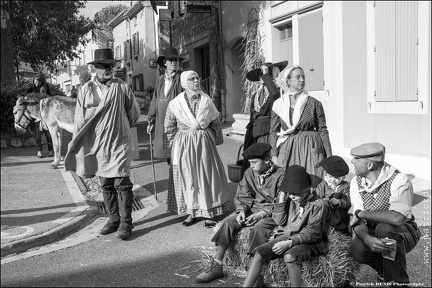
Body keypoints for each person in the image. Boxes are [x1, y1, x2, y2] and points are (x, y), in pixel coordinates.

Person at [64, 48, 141, 240]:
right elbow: (80, 120)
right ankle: (113, 219)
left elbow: (134, 113)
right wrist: (79, 143)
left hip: (118, 142)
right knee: (105, 183)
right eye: (104, 66)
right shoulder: (84, 90)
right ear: (95, 68)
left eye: (111, 65)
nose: (109, 69)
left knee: (122, 182)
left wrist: (120, 127)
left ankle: (126, 223)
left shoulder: (122, 86)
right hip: (97, 145)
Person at [196, 143, 285, 284]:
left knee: (259, 228)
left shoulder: (281, 175)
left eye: (254, 162)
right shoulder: (250, 173)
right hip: (253, 208)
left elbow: (281, 202)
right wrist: (241, 210)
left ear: (267, 160)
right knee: (228, 222)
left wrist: (261, 214)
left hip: (272, 213)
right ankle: (217, 265)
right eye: (250, 163)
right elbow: (243, 194)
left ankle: (257, 275)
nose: (251, 166)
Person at [243, 165, 331, 287]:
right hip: (287, 237)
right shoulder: (290, 200)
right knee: (259, 253)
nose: (292, 196)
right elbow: (280, 221)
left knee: (289, 257)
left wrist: (290, 242)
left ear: (307, 189)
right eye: (289, 193)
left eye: (296, 193)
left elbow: (313, 233)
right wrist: (281, 199)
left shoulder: (318, 205)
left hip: (310, 243)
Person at [348, 142, 421, 285]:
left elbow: (397, 218)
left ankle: (399, 282)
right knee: (356, 249)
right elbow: (355, 220)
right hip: (374, 231)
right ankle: (385, 271)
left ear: (370, 165)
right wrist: (367, 238)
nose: (352, 161)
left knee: (384, 229)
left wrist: (361, 213)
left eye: (357, 158)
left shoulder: (399, 179)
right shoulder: (355, 182)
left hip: (403, 232)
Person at [164, 70, 230, 227]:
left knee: (207, 177)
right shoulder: (175, 103)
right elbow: (169, 126)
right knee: (188, 177)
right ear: (184, 83)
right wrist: (172, 147)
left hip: (204, 143)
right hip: (184, 144)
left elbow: (215, 122)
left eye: (197, 77)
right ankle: (190, 212)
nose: (196, 81)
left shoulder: (207, 101)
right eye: (192, 79)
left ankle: (210, 212)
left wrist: (215, 141)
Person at [269, 66, 332, 187]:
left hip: (310, 146)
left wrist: (329, 155)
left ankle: (312, 206)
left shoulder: (314, 103)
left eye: (303, 77)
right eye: (298, 77)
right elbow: (273, 131)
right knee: (289, 182)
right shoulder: (279, 104)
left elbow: (322, 130)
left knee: (313, 180)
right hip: (288, 146)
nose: (302, 80)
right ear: (288, 81)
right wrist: (274, 154)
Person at [241, 60, 287, 175]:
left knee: (266, 160)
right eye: (261, 74)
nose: (262, 77)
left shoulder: (277, 91)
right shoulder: (255, 94)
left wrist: (267, 77)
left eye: (266, 74)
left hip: (268, 133)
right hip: (254, 134)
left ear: (271, 75)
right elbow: (253, 115)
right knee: (254, 162)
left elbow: (274, 97)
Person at [147, 46, 184, 165]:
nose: (174, 62)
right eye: (171, 60)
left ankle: (182, 181)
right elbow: (155, 100)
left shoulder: (182, 77)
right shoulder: (160, 80)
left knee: (180, 153)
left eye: (176, 60)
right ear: (165, 63)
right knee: (169, 154)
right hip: (162, 122)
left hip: (178, 122)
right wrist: (151, 121)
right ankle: (174, 179)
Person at [315, 155, 351, 235]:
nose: (332, 180)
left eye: (337, 178)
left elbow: (348, 202)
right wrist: (324, 201)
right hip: (325, 215)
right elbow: (316, 198)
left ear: (343, 177)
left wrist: (339, 202)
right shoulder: (322, 185)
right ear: (327, 174)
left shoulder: (345, 186)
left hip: (341, 216)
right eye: (330, 176)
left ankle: (342, 231)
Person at [27, 72, 54, 158]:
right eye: (36, 81)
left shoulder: (45, 88)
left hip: (45, 114)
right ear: (33, 80)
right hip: (36, 115)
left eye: (39, 82)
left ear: (42, 82)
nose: (37, 83)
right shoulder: (30, 88)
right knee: (37, 133)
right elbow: (27, 98)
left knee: (47, 133)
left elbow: (49, 98)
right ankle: (39, 151)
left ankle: (51, 150)